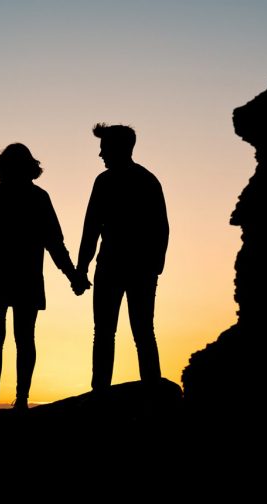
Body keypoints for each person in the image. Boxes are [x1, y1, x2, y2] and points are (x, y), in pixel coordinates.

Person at [0, 143, 84, 409]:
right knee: (23, 338)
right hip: (24, 277)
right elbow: (55, 243)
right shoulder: (38, 198)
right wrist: (72, 275)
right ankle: (20, 400)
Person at [75, 123, 169, 389]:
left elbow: (91, 227)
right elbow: (92, 227)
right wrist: (155, 266)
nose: (101, 154)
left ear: (118, 148)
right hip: (127, 268)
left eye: (104, 148)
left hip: (120, 267)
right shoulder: (146, 180)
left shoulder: (109, 182)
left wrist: (82, 269)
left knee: (113, 332)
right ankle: (140, 388)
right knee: (137, 332)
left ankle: (104, 390)